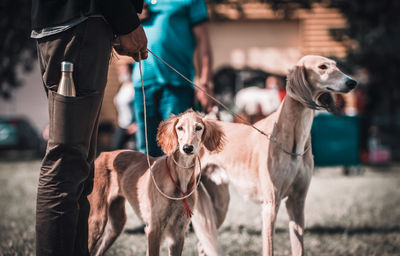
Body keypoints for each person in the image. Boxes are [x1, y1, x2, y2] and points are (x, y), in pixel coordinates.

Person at [30, 0, 147, 255]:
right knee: (67, 164)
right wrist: (127, 22)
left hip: (71, 27)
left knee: (80, 170)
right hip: (78, 27)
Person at [132, 0, 213, 157]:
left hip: (177, 85)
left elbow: (203, 40)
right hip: (142, 83)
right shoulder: (139, 2)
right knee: (145, 153)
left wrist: (205, 82)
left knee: (176, 152)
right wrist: (131, 18)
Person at [112, 63, 137, 150]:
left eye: (124, 71)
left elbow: (139, 106)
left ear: (131, 71)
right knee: (115, 150)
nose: (121, 73)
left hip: (132, 127)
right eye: (120, 71)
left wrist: (136, 124)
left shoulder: (134, 87)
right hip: (121, 125)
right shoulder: (122, 87)